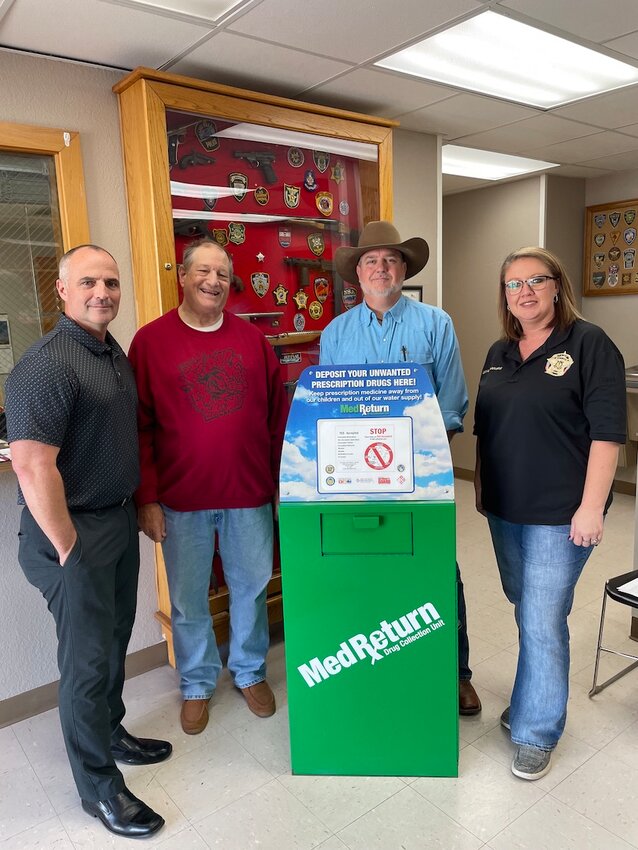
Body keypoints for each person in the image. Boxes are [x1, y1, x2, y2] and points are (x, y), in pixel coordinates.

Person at [5, 245, 171, 839]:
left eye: (111, 282)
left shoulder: (108, 351)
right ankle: (99, 789)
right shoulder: (47, 363)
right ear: (62, 290)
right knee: (86, 660)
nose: (103, 292)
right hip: (71, 534)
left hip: (115, 521)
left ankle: (110, 730)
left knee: (115, 638)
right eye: (89, 283)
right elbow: (30, 467)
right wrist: (70, 550)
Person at [474, 246, 626, 781]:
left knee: (541, 618)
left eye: (536, 280)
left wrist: (590, 508)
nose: (525, 291)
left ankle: (537, 729)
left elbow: (608, 434)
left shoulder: (588, 344)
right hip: (506, 512)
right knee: (526, 608)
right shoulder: (499, 351)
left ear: (557, 286)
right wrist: (482, 494)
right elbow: (488, 431)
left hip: (561, 514)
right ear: (506, 296)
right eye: (514, 284)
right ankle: (531, 697)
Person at [320, 220, 481, 716]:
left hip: (423, 475)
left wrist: (420, 458)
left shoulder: (436, 323)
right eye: (371, 261)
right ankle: (379, 665)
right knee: (367, 566)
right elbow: (327, 408)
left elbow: (452, 401)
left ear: (404, 268)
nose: (381, 268)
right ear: (357, 273)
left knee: (437, 569)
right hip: (355, 480)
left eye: (391, 259)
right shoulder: (335, 334)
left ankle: (456, 673)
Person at [129, 238, 288, 735]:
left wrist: (281, 485)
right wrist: (148, 498)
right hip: (180, 501)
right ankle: (196, 683)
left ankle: (249, 671)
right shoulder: (151, 342)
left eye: (221, 273)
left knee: (250, 589)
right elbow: (139, 428)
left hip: (249, 495)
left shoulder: (252, 342)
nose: (213, 282)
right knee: (188, 599)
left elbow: (276, 419)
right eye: (203, 271)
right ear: (183, 274)